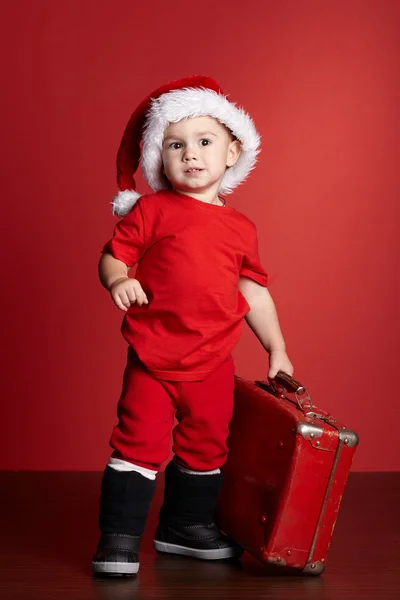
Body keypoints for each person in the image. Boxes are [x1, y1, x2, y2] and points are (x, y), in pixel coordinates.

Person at [91, 75, 294, 577]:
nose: (190, 154)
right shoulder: (153, 210)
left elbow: (254, 293)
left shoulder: (240, 227)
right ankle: (118, 539)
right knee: (137, 440)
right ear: (161, 159)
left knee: (207, 444)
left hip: (212, 361)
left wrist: (278, 350)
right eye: (175, 145)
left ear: (232, 153)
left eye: (205, 142)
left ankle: (183, 526)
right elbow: (114, 255)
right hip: (154, 355)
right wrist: (118, 281)